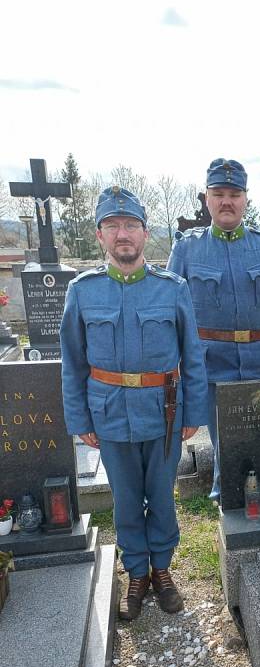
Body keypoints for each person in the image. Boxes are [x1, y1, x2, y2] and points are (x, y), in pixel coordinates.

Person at [60, 186, 207, 620]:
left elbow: (192, 356)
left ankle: (162, 570)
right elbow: (73, 362)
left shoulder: (172, 289)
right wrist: (79, 417)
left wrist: (193, 413)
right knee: (125, 501)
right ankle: (136, 573)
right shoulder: (82, 292)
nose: (122, 234)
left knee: (161, 496)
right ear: (100, 236)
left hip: (163, 414)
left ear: (144, 234)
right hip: (108, 414)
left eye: (130, 226)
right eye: (113, 226)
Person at [167, 158, 260, 500]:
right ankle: (227, 500)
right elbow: (169, 313)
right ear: (207, 198)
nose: (226, 201)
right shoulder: (187, 248)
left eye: (234, 194)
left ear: (245, 198)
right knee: (224, 442)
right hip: (213, 367)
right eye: (219, 193)